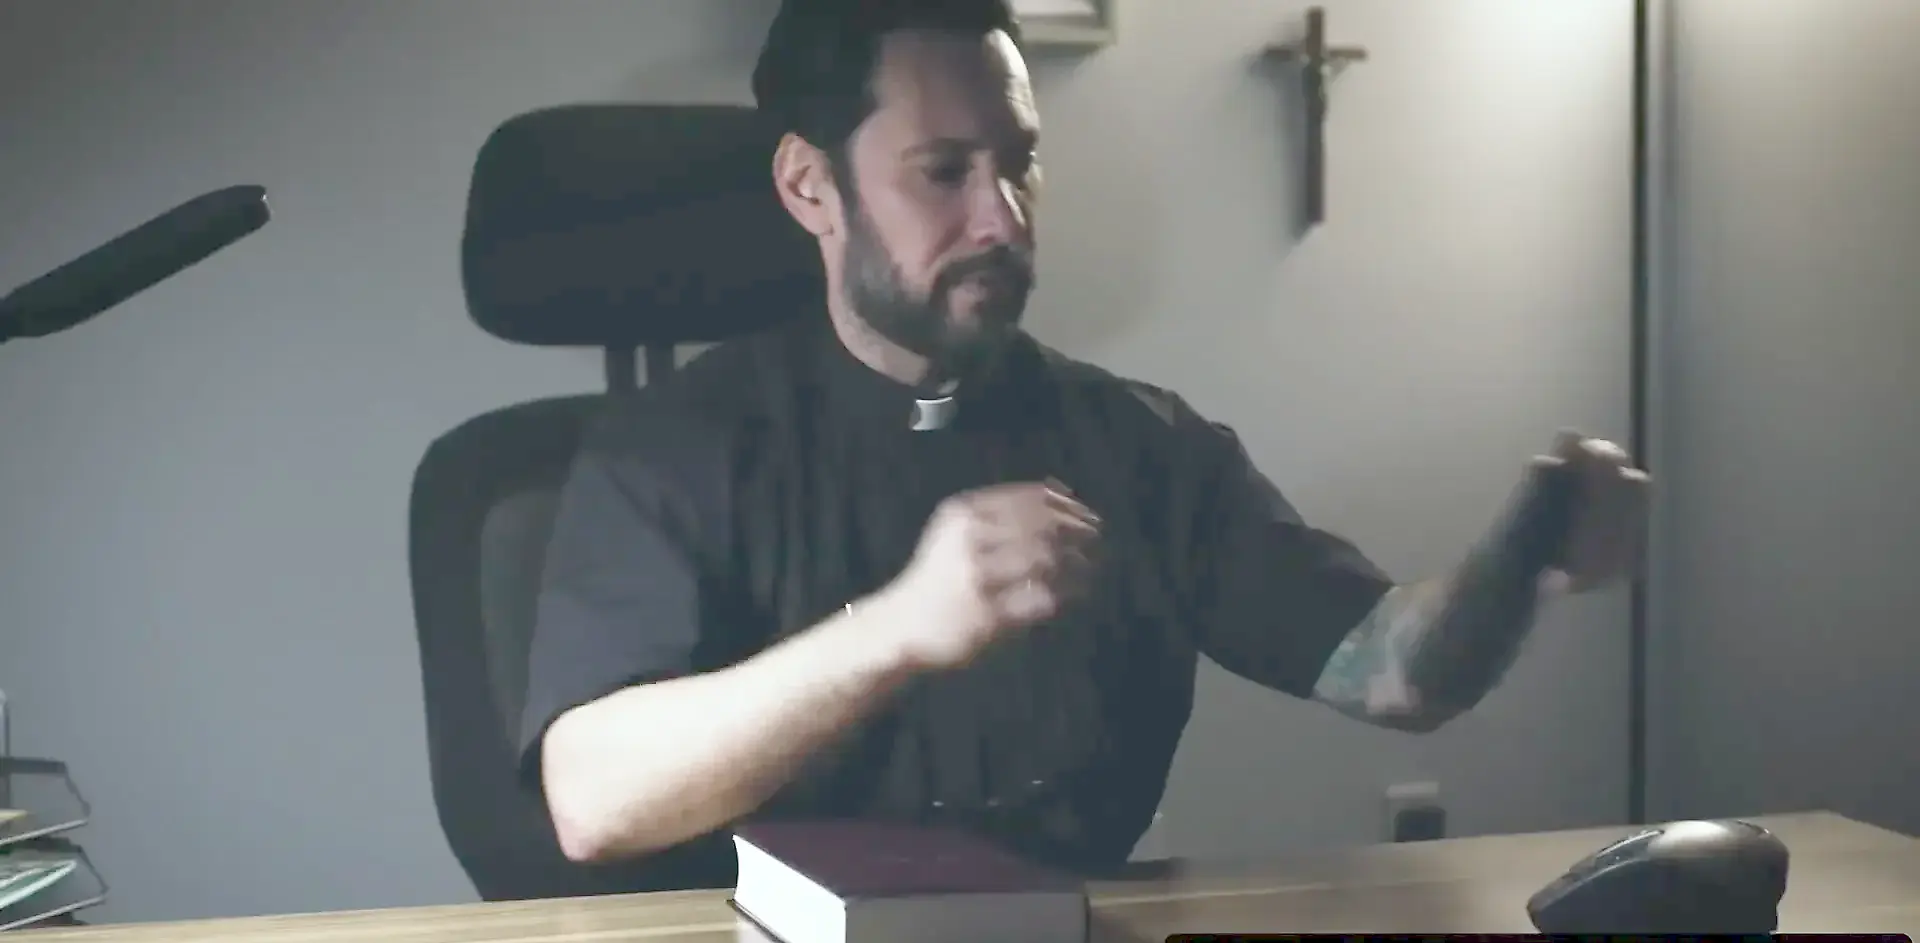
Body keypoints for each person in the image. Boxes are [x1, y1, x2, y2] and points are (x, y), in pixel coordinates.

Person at [516, 0, 1650, 888]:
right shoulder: (672, 449)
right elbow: (593, 803)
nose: (1003, 216)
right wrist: (896, 630)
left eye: (1019, 161)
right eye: (945, 171)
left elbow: (1396, 672)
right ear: (812, 187)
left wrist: (1528, 555)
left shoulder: (1138, 446)